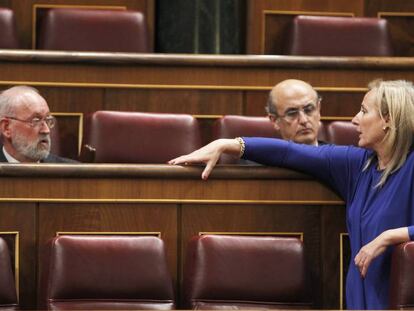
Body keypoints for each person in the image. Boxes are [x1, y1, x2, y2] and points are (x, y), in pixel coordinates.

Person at [169, 79, 414, 309]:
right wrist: (226, 144)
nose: (354, 120)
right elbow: (288, 152)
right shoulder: (357, 164)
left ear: (388, 119)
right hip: (359, 298)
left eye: (363, 111)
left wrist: (392, 236)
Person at [0, 86, 77, 163]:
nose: (46, 130)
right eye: (35, 121)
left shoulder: (73, 172)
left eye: (48, 120)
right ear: (6, 128)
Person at [266, 79, 322, 146]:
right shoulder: (261, 156)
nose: (304, 120)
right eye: (292, 113)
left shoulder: (336, 155)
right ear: (275, 120)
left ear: (318, 109)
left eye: (309, 110)